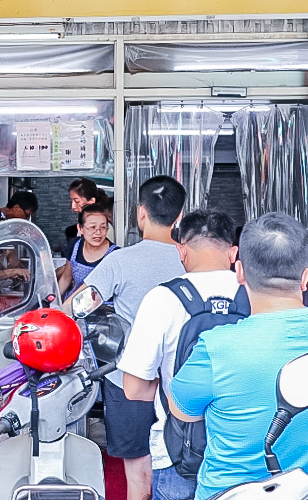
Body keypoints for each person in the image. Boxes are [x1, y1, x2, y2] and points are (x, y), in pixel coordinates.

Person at [168, 213, 308, 500]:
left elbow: (182, 410)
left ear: (240, 272)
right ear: (305, 277)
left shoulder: (216, 346)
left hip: (232, 494)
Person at [66, 176, 188, 500]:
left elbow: (78, 306)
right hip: (183, 381)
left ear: (140, 214)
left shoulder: (119, 261)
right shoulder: (192, 259)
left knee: (137, 474)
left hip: (128, 380)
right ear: (179, 217)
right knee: (183, 467)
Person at [119, 211, 241, 500]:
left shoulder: (162, 299)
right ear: (233, 252)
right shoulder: (255, 294)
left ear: (181, 251)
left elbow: (133, 388)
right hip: (246, 451)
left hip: (178, 451)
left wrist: (167, 388)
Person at [57, 204, 118, 296]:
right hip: (73, 303)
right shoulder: (75, 246)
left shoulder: (115, 254)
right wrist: (54, 303)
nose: (98, 233)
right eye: (92, 227)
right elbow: (66, 278)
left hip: (102, 307)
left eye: (103, 227)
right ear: (80, 228)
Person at [64, 178, 111, 244]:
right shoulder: (73, 231)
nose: (73, 206)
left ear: (91, 201)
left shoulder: (107, 229)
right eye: (71, 201)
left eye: (77, 201)